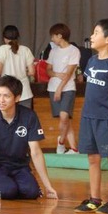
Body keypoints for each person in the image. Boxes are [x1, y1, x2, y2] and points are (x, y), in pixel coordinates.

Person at [74, 19, 108, 214]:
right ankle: (94, 199)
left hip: (107, 119)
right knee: (92, 158)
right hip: (88, 117)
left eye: (96, 33)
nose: (92, 36)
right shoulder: (91, 60)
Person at [0, 75, 58, 200]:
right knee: (8, 191)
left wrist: (48, 186)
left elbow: (36, 152)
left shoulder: (29, 116)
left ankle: (18, 186)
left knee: (31, 192)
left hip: (20, 166)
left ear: (17, 98)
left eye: (6, 96)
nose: (1, 100)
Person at [45, 23, 80, 154]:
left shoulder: (74, 51)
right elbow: (48, 70)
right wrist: (55, 74)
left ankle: (61, 142)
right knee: (65, 120)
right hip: (52, 87)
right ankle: (74, 148)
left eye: (53, 36)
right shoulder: (53, 51)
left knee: (64, 117)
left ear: (60, 35)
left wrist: (60, 88)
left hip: (68, 88)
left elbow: (69, 73)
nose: (52, 39)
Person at [0, 25, 35, 108]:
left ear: (4, 38)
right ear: (18, 36)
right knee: (25, 119)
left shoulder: (2, 49)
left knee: (8, 119)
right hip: (24, 92)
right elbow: (32, 72)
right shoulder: (26, 50)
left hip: (7, 92)